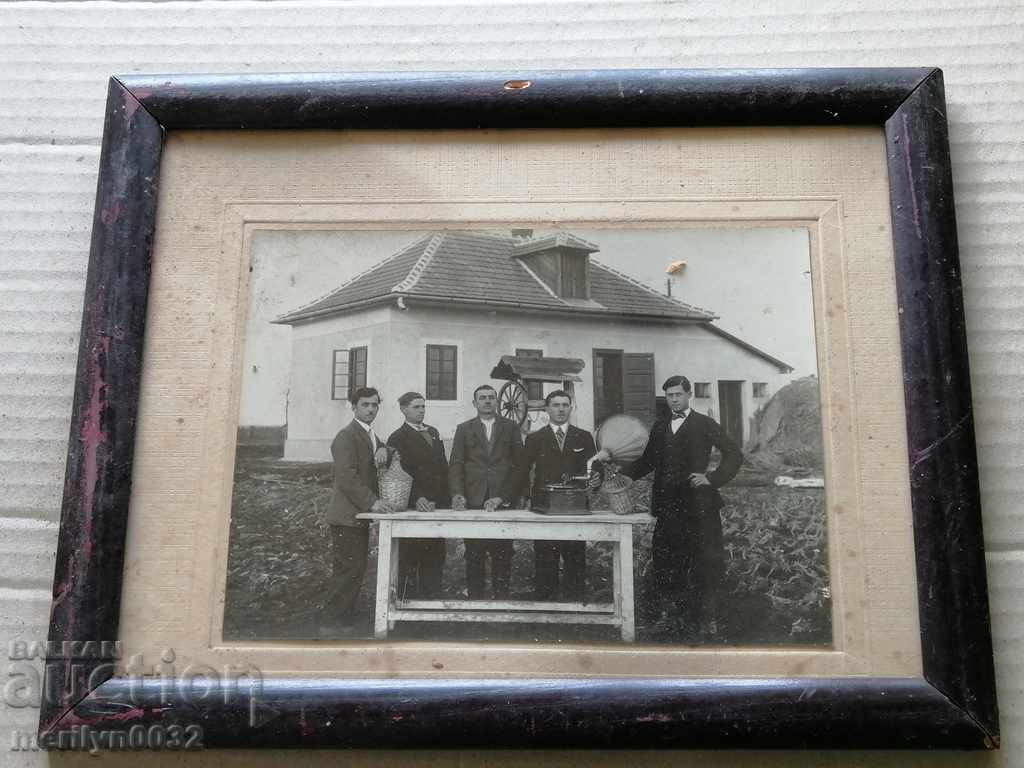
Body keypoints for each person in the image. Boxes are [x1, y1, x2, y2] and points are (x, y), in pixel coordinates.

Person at [615, 375, 741, 639]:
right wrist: (625, 474)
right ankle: (672, 619)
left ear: (688, 394)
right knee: (666, 562)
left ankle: (697, 623)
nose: (674, 400)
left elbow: (734, 454)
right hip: (667, 507)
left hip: (698, 507)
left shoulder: (705, 424)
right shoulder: (660, 427)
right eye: (670, 396)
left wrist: (712, 478)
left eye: (678, 395)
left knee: (699, 564)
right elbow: (647, 461)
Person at [319, 386, 393, 637]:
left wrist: (385, 448)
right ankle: (331, 624)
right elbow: (347, 477)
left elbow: (380, 452)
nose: (371, 409)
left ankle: (343, 621)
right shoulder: (346, 436)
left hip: (356, 516)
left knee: (355, 568)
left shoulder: (370, 435)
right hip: (345, 515)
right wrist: (373, 502)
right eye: (365, 405)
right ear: (354, 407)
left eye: (374, 405)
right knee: (348, 569)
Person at [449, 384, 524, 600]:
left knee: (503, 554)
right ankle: (475, 603)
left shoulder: (510, 427)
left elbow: (519, 466)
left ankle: (501, 603)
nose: (488, 401)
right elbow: (456, 463)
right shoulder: (464, 428)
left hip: (502, 502)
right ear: (475, 403)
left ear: (498, 401)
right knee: (474, 554)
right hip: (473, 499)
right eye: (482, 398)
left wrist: (506, 497)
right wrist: (456, 493)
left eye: (491, 397)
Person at [520, 390, 597, 602]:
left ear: (571, 408)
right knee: (545, 556)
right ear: (547, 409)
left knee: (575, 556)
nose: (561, 409)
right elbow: (523, 470)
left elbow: (594, 470)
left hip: (575, 507)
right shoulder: (535, 438)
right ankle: (546, 607)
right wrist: (525, 496)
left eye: (565, 405)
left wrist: (594, 482)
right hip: (544, 507)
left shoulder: (584, 436)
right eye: (556, 405)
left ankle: (575, 606)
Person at [386, 391, 449, 599]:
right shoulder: (397, 437)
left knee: (435, 555)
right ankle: (407, 605)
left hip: (437, 504)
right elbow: (399, 474)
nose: (421, 411)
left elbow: (442, 467)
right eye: (416, 407)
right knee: (411, 555)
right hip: (414, 505)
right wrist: (417, 498)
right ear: (403, 410)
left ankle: (432, 602)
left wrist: (445, 498)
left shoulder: (433, 432)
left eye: (423, 406)